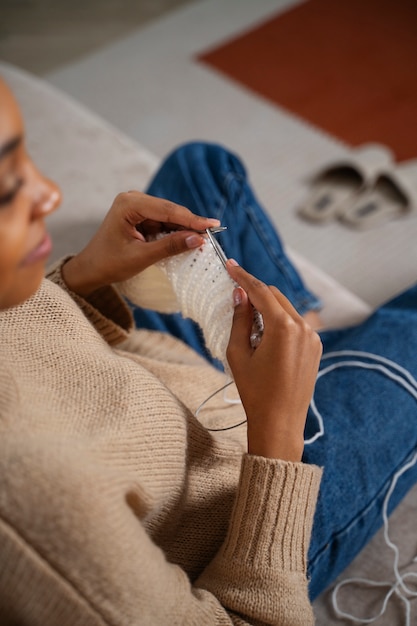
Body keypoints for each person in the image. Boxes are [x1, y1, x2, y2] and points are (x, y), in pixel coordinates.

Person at [0, 75, 415, 626]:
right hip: (252, 505)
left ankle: (299, 336)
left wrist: (82, 279)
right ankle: (306, 367)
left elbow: (32, 352)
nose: (50, 192)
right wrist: (279, 429)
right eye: (7, 189)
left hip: (146, 365)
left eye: (23, 160)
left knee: (201, 167)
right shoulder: (31, 515)